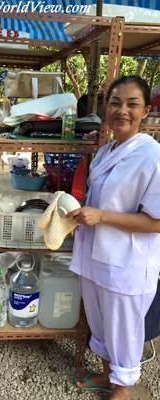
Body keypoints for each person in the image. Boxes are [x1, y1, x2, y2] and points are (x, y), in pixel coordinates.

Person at [68, 76, 160, 400]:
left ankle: (121, 392)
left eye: (132, 104)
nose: (122, 110)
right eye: (115, 102)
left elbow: (156, 222)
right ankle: (107, 376)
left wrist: (101, 216)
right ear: (105, 108)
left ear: (146, 110)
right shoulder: (107, 150)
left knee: (123, 330)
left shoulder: (152, 157)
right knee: (101, 321)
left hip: (127, 262)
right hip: (97, 254)